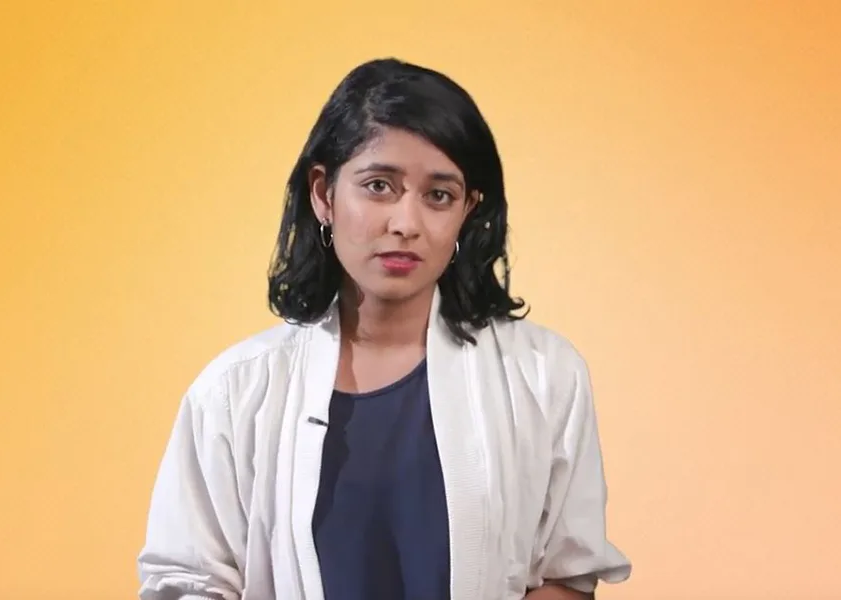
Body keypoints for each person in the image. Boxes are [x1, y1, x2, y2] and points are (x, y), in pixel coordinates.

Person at [137, 57, 631, 600]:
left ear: (468, 209)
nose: (406, 223)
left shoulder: (545, 375)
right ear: (324, 194)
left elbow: (566, 571)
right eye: (378, 186)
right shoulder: (233, 392)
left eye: (439, 195)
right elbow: (189, 582)